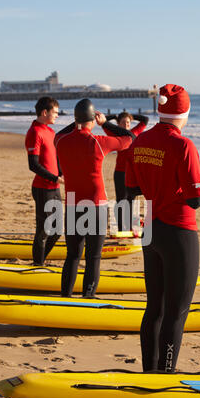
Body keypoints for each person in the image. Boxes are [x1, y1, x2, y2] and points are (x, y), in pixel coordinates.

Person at [126, 84, 200, 373]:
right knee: (176, 312)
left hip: (151, 231)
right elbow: (196, 199)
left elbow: (131, 186)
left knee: (154, 308)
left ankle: (150, 371)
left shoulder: (140, 141)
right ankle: (167, 372)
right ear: (184, 112)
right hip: (179, 231)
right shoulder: (183, 145)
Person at [55, 98, 135, 297]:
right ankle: (88, 295)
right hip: (96, 206)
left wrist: (79, 120)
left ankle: (65, 295)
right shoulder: (99, 143)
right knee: (93, 256)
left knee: (72, 255)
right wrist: (105, 123)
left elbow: (59, 133)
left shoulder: (61, 142)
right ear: (93, 119)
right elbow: (130, 138)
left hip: (73, 206)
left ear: (76, 119)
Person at [25, 96, 64, 266]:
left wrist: (62, 175)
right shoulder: (35, 132)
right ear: (44, 112)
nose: (57, 115)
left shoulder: (50, 131)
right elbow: (33, 165)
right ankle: (38, 265)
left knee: (57, 231)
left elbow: (55, 159)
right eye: (54, 112)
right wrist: (54, 177)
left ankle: (39, 261)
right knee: (44, 230)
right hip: (42, 188)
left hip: (55, 188)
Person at [106, 111, 148, 231]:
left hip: (133, 173)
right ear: (118, 124)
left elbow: (145, 119)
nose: (126, 124)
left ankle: (128, 227)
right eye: (123, 122)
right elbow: (103, 123)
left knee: (131, 199)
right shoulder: (115, 134)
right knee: (121, 200)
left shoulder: (134, 133)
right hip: (120, 172)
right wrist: (114, 116)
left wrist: (131, 116)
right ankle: (120, 227)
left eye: (128, 122)